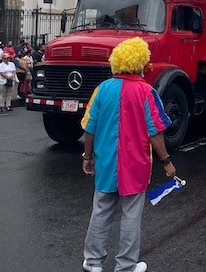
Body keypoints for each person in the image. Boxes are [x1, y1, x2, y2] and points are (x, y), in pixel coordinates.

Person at [80, 37, 175, 272]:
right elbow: (155, 132)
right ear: (140, 63)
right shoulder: (146, 91)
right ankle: (126, 266)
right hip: (135, 165)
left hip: (105, 163)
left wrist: (87, 157)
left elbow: (89, 128)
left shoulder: (102, 89)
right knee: (131, 216)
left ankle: (93, 263)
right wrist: (166, 161)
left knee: (101, 212)